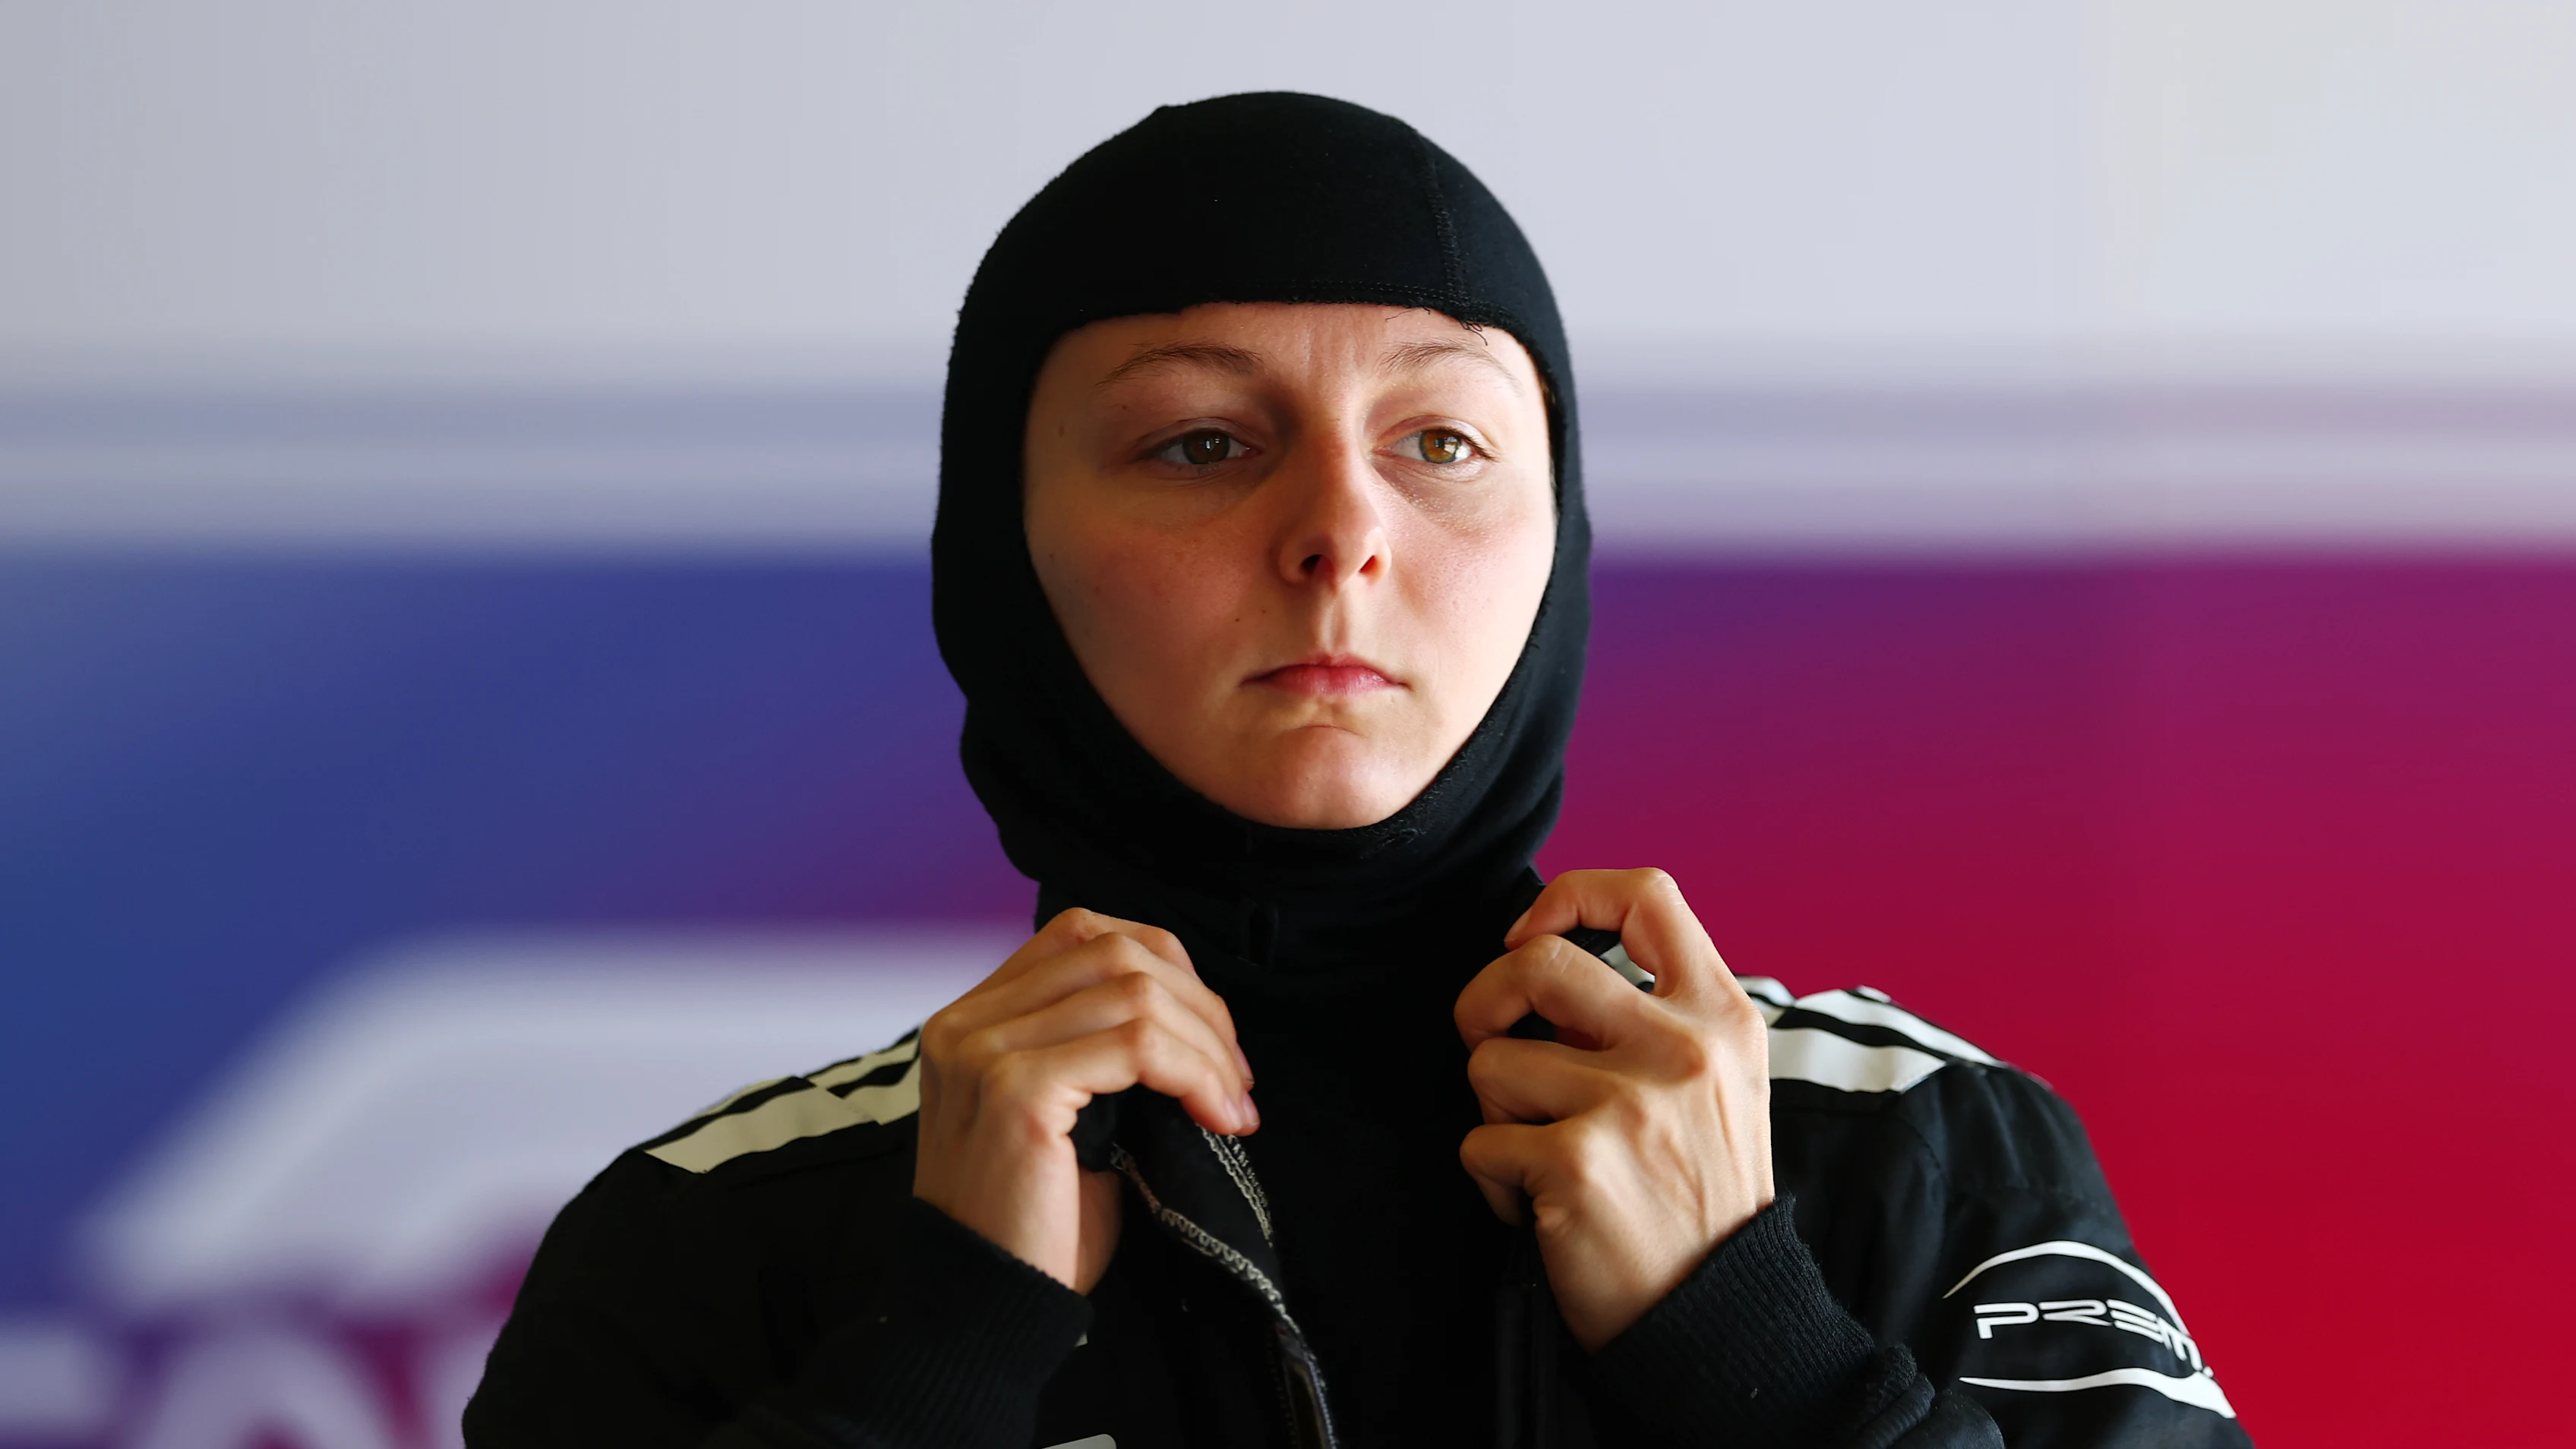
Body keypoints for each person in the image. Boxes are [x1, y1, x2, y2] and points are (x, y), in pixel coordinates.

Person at [466, 93, 2250, 1449]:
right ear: (999, 548)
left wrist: (1751, 1342)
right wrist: (940, 1357)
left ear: (1558, 527)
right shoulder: (707, 1246)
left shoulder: (1908, 1152)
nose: (1339, 533)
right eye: (1199, 440)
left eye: (1443, 440)